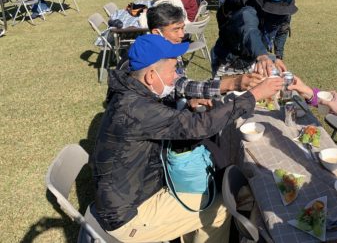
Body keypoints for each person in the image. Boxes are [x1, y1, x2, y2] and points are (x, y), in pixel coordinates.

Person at [93, 34, 282, 243]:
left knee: (216, 188)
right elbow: (201, 126)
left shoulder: (131, 92)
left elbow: (166, 123)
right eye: (173, 70)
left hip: (134, 192)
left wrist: (187, 108)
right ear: (151, 76)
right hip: (130, 215)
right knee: (221, 206)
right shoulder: (135, 108)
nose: (176, 77)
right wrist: (253, 95)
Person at [147, 3, 263, 99]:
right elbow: (180, 85)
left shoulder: (171, 48)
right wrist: (232, 83)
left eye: (182, 28)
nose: (182, 34)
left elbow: (179, 86)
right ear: (157, 32)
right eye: (176, 30)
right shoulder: (150, 56)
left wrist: (191, 101)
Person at [211, 0, 297, 77]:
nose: (279, 14)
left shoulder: (285, 11)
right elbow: (249, 31)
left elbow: (282, 30)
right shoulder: (248, 11)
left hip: (252, 59)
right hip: (228, 63)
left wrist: (278, 57)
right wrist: (262, 55)